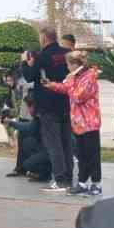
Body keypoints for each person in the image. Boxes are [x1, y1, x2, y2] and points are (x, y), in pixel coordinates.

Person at [41, 49, 103, 196]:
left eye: (68, 65)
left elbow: (77, 96)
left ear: (75, 64)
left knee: (92, 154)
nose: (67, 68)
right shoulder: (77, 77)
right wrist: (52, 85)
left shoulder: (89, 77)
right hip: (78, 123)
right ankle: (82, 182)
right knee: (81, 155)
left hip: (90, 123)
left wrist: (69, 81)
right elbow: (68, 89)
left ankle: (96, 183)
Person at [20, 26, 73, 191]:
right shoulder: (66, 54)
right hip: (65, 102)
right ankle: (69, 177)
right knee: (66, 143)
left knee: (53, 144)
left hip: (48, 106)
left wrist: (24, 62)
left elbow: (29, 76)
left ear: (43, 38)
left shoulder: (41, 56)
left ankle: (59, 179)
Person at [3, 95, 52, 180]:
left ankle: (45, 173)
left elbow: (28, 128)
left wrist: (11, 123)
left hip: (51, 152)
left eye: (29, 107)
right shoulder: (40, 116)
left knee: (27, 165)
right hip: (46, 149)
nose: (29, 111)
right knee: (27, 142)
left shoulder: (41, 117)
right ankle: (42, 171)